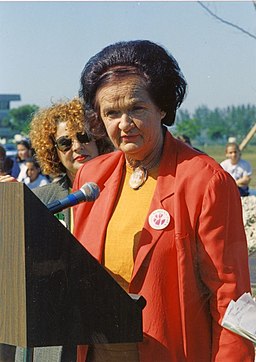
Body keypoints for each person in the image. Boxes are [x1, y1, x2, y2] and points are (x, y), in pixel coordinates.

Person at [72, 40, 254, 361]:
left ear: (162, 107)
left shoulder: (206, 181)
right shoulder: (90, 177)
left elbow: (230, 296)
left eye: (136, 108)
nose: (124, 124)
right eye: (112, 113)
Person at [0, 98, 114, 362]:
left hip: (106, 333)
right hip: (52, 339)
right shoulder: (41, 199)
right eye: (65, 142)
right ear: (54, 151)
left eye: (84, 137)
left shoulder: (120, 196)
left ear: (100, 140)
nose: (77, 147)